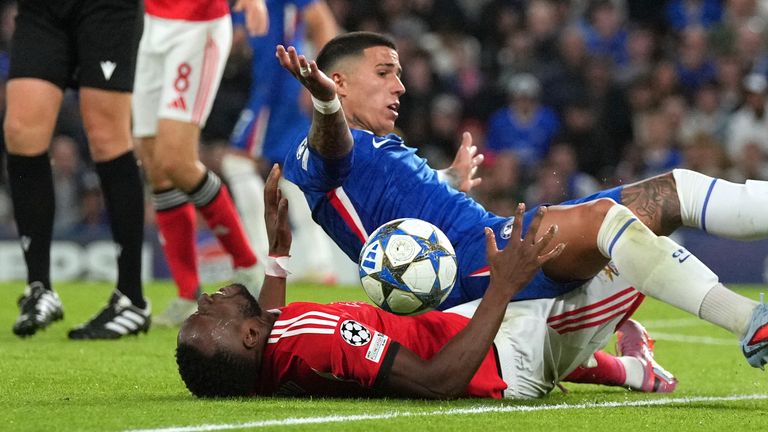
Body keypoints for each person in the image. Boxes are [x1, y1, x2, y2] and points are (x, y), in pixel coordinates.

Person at [275, 31, 768, 369]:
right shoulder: (317, 148)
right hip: (465, 269)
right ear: (337, 81)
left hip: (484, 239)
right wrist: (323, 103)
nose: (400, 86)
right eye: (384, 72)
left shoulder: (377, 145)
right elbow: (330, 150)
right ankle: (750, 322)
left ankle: (690, 342)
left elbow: (383, 197)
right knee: (604, 218)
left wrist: (449, 177)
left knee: (672, 190)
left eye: (400, 74)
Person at [174, 166, 684, 398]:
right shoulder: (318, 339)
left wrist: (280, 255)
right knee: (633, 241)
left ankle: (631, 369)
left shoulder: (270, 359)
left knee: (570, 316)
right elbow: (438, 381)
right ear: (245, 337)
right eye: (205, 314)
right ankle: (729, 328)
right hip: (504, 359)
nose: (204, 298)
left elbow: (272, 324)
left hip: (457, 329)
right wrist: (503, 288)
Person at [5, 0, 148, 339]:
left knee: (107, 135)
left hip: (107, 7)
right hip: (42, 9)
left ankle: (132, 298)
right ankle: (39, 288)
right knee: (20, 131)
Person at [132, 0, 268, 327]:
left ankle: (247, 263)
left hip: (197, 25)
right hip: (152, 24)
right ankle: (186, 292)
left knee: (176, 161)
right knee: (154, 165)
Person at [224, 0, 339, 290]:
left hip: (280, 87)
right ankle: (319, 263)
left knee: (237, 161)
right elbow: (242, 38)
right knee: (292, 173)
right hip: (268, 85)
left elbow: (322, 20)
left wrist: (319, 79)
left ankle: (256, 259)